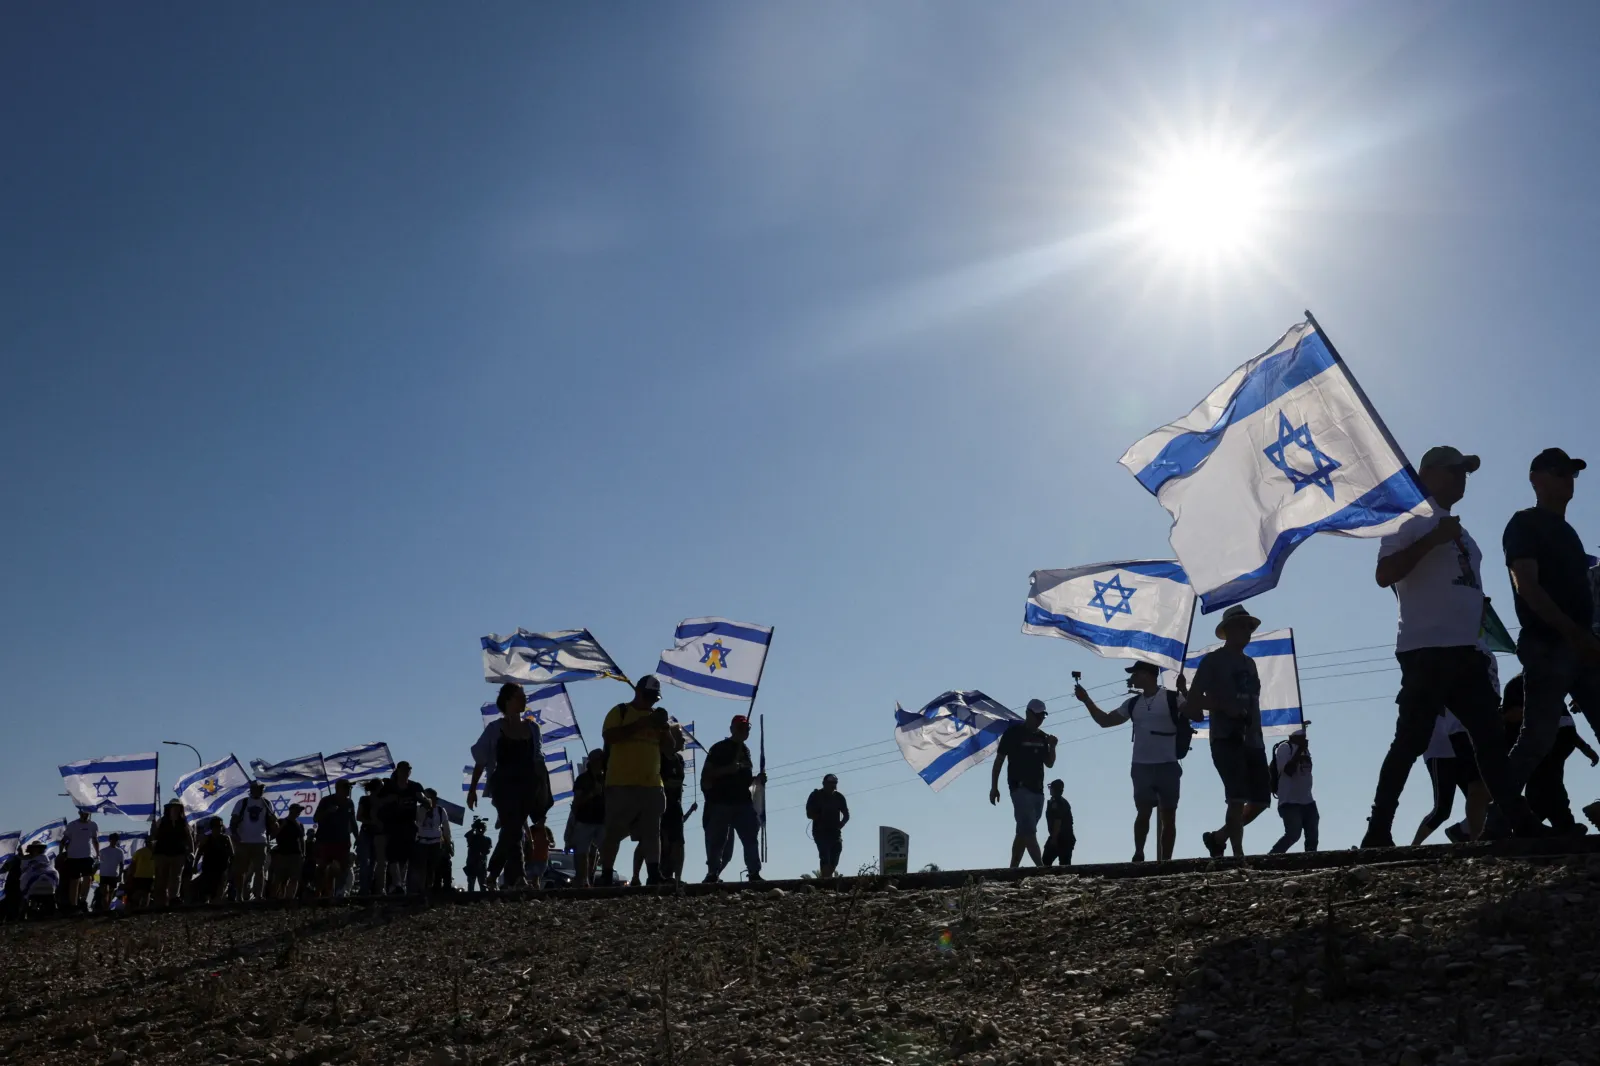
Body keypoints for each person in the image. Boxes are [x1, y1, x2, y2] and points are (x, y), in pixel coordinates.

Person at [1503, 448, 1600, 794]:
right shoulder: (1525, 523)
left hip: (1582, 647)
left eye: (1572, 474)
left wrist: (1585, 639)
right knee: (1538, 738)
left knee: (1539, 738)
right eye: (1560, 472)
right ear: (1537, 479)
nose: (1569, 480)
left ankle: (1498, 820)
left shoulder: (1570, 534)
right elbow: (1526, 586)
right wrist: (1573, 633)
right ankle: (1498, 821)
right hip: (1547, 645)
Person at [1076, 662, 1199, 862]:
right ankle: (1139, 853)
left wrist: (1184, 690)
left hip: (1168, 764)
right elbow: (1105, 721)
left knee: (1169, 815)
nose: (1132, 677)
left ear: (1147, 675)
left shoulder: (1171, 697)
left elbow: (1195, 715)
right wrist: (1086, 700)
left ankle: (1166, 861)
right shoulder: (1132, 703)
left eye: (1135, 673)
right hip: (1141, 766)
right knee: (1143, 813)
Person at [1191, 605, 1270, 859]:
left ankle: (1219, 837)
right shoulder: (1213, 661)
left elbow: (1254, 702)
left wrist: (1257, 733)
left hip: (1254, 740)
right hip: (1226, 738)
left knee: (1260, 801)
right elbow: (1193, 699)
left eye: (1250, 627)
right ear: (1228, 630)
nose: (1247, 631)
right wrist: (1224, 707)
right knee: (1236, 798)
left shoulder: (1250, 664)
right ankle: (1238, 857)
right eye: (1242, 626)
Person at [467, 684, 553, 890]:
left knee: (512, 829)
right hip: (503, 785)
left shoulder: (533, 728)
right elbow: (481, 759)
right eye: (520, 696)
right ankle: (517, 877)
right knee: (513, 828)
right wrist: (472, 789)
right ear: (508, 700)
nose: (524, 700)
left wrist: (543, 789)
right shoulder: (495, 729)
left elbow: (538, 759)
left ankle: (497, 874)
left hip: (527, 786)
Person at [599, 675, 673, 887]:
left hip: (651, 785)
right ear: (638, 692)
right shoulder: (620, 712)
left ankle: (653, 873)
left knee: (652, 832)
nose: (651, 702)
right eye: (648, 696)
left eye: (654, 699)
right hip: (621, 783)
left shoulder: (656, 719)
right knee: (613, 831)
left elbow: (670, 750)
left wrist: (665, 729)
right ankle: (605, 874)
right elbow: (610, 737)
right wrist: (641, 723)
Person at [988, 699, 1056, 867]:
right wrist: (994, 786)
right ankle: (1042, 868)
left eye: (1042, 716)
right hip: (1020, 788)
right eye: (1037, 715)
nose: (1040, 719)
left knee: (1023, 832)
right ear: (1028, 714)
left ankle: (1013, 869)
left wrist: (1052, 747)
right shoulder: (1013, 733)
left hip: (1038, 791)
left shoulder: (1042, 737)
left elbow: (1049, 763)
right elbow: (999, 761)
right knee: (1029, 831)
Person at [702, 714, 765, 883]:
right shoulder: (719, 748)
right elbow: (707, 775)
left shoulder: (745, 751)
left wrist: (757, 780)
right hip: (721, 802)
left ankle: (754, 872)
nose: (744, 731)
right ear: (732, 729)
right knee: (717, 840)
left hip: (743, 802)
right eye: (740, 728)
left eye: (747, 728)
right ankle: (712, 873)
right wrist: (727, 770)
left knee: (750, 838)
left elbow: (744, 778)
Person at [1410, 710, 1488, 845]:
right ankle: (1414, 846)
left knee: (1480, 798)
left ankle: (1463, 832)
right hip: (1440, 751)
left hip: (1462, 748)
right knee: (1442, 809)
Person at [376, 763, 424, 895]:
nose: (405, 772)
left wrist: (424, 800)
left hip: (409, 825)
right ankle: (397, 883)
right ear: (398, 771)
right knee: (392, 856)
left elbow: (424, 799)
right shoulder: (389, 787)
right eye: (403, 770)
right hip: (392, 825)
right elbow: (378, 802)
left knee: (405, 857)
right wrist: (389, 800)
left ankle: (399, 884)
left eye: (408, 769)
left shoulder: (414, 786)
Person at [1268, 729, 1318, 853]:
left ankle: (1311, 859)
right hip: (1289, 801)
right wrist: (1299, 750)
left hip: (1308, 800)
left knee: (1312, 835)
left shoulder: (1305, 750)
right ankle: (1273, 856)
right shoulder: (1285, 748)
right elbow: (1288, 771)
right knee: (1293, 834)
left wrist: (1302, 749)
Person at [229, 782, 278, 902]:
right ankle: (239, 895)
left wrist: (273, 824)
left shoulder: (267, 803)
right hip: (243, 840)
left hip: (260, 841)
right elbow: (233, 821)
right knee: (241, 871)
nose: (259, 791)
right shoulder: (242, 803)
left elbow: (273, 823)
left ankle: (258, 895)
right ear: (251, 789)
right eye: (257, 788)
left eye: (261, 789)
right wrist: (235, 836)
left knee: (260, 870)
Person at [568, 751, 607, 888]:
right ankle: (582, 880)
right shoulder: (582, 780)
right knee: (582, 852)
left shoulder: (605, 779)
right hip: (584, 820)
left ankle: (598, 878)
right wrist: (592, 794)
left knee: (604, 851)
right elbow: (577, 802)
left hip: (601, 821)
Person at [313, 779, 357, 899]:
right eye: (346, 787)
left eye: (349, 787)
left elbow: (352, 821)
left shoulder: (350, 803)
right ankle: (318, 892)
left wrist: (357, 837)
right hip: (326, 840)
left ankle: (339, 892)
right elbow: (316, 818)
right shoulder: (326, 801)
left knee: (343, 867)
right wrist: (328, 811)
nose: (348, 790)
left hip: (343, 840)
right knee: (322, 867)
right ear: (338, 788)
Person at [658, 724, 688, 883]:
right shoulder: (659, 758)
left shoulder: (679, 760)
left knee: (679, 843)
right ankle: (659, 875)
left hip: (676, 807)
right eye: (680, 736)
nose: (684, 739)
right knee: (663, 843)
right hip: (660, 808)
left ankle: (678, 877)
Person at [805, 774, 850, 878]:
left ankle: (827, 877)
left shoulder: (839, 797)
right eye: (830, 783)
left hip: (835, 832)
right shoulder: (816, 795)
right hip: (820, 831)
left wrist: (840, 825)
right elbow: (808, 814)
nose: (832, 786)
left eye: (834, 783)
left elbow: (846, 815)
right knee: (824, 855)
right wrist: (819, 815)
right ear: (824, 783)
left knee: (836, 853)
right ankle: (826, 881)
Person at [150, 800, 192, 907]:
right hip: (162, 853)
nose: (175, 810)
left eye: (177, 808)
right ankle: (160, 901)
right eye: (173, 808)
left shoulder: (183, 823)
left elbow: (189, 837)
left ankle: (173, 898)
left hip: (178, 853)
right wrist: (153, 828)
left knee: (176, 877)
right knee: (161, 878)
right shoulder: (161, 821)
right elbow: (153, 836)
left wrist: (191, 851)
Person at [410, 790, 449, 895]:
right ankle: (421, 889)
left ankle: (433, 888)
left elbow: (446, 827)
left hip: (436, 842)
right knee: (422, 867)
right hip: (422, 841)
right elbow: (419, 823)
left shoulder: (441, 810)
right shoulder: (419, 809)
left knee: (434, 866)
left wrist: (448, 842)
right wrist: (425, 809)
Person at [60, 809, 100, 912]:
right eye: (83, 813)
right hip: (73, 856)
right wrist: (61, 853)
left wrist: (97, 853)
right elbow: (64, 839)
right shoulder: (72, 825)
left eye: (87, 813)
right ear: (79, 813)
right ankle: (73, 905)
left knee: (88, 878)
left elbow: (95, 839)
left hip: (87, 855)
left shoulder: (93, 825)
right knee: (74, 880)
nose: (85, 815)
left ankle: (83, 900)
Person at [268, 805, 306, 900]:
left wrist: (303, 853)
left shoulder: (299, 824)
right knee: (279, 878)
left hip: (296, 854)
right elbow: (272, 835)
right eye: (296, 810)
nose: (298, 812)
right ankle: (274, 898)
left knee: (294, 877)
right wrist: (281, 826)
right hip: (282, 853)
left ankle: (289, 898)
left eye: (299, 811)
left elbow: (302, 839)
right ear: (291, 810)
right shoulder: (281, 821)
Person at [195, 818, 234, 904]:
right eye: (215, 827)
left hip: (221, 869)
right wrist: (195, 865)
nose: (218, 829)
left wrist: (231, 868)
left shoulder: (226, 839)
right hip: (208, 869)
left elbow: (232, 855)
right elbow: (199, 852)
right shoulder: (206, 839)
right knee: (206, 890)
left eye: (219, 827)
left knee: (219, 891)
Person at [355, 779, 383, 894]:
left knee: (373, 862)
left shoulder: (382, 801)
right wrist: (372, 822)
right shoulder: (365, 800)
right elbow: (359, 817)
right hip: (367, 832)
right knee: (365, 862)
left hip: (377, 833)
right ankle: (364, 888)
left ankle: (370, 887)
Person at [1042, 780, 1075, 866]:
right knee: (1064, 865)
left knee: (1045, 863)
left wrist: (1054, 838)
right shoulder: (1062, 802)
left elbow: (1057, 821)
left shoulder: (1056, 802)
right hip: (1066, 838)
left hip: (1062, 838)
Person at [95, 833, 126, 913]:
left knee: (111, 893)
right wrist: (94, 875)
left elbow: (121, 864)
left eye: (115, 840)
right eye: (112, 840)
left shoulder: (120, 852)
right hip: (103, 874)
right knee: (105, 892)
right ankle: (105, 909)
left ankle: (107, 908)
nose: (114, 841)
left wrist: (120, 875)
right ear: (109, 840)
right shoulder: (103, 851)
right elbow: (97, 864)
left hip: (113, 875)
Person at [463, 817, 492, 892]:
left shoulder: (487, 839)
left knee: (482, 885)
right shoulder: (473, 837)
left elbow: (487, 851)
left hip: (481, 864)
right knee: (471, 885)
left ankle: (482, 900)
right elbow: (467, 835)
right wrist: (473, 828)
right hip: (472, 864)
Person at [127, 837, 155, 910]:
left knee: (146, 893)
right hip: (139, 875)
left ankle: (142, 909)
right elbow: (133, 864)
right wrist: (131, 875)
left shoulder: (155, 853)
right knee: (139, 893)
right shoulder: (140, 852)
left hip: (149, 876)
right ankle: (134, 908)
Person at [525, 821, 554, 887]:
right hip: (531, 859)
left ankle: (536, 892)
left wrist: (550, 843)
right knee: (529, 880)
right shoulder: (531, 829)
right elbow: (525, 842)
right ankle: (532, 892)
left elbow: (553, 843)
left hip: (542, 859)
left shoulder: (547, 830)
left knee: (536, 878)